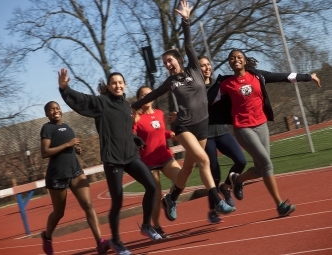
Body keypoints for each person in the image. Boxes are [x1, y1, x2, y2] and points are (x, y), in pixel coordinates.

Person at [131, 0, 236, 222]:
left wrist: (186, 21)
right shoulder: (170, 82)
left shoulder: (195, 69)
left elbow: (188, 44)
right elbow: (151, 96)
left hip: (203, 126)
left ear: (178, 59)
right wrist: (128, 106)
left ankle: (171, 198)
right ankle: (218, 202)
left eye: (169, 60)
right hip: (184, 126)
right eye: (164, 63)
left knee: (187, 168)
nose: (167, 64)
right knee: (204, 161)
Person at [58, 69, 162, 255]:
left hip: (130, 156)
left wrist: (134, 139)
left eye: (120, 82)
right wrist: (65, 89)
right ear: (108, 86)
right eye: (113, 83)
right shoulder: (102, 103)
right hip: (113, 160)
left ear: (125, 84)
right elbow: (82, 100)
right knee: (118, 201)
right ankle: (116, 240)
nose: (118, 85)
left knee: (152, 186)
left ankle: (146, 225)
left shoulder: (126, 106)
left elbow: (124, 130)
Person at [207, 49, 321, 217]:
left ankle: (236, 180)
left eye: (239, 57)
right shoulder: (226, 84)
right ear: (229, 63)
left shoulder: (258, 76)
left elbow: (284, 76)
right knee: (267, 164)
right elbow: (206, 102)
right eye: (232, 58)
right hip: (243, 128)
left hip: (261, 125)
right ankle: (280, 205)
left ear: (245, 61)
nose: (236, 60)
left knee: (260, 169)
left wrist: (308, 77)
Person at [40, 101, 108, 255]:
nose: (55, 111)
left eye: (57, 108)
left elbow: (68, 145)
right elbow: (45, 152)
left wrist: (75, 148)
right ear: (47, 114)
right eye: (51, 109)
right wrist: (67, 145)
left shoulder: (68, 127)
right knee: (58, 213)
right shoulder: (47, 128)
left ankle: (100, 242)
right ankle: (47, 237)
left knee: (88, 205)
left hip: (75, 171)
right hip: (57, 175)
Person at [198, 56, 247, 223]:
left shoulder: (220, 83)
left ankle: (226, 188)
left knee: (241, 160)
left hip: (223, 131)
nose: (206, 68)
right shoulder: (194, 88)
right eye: (202, 66)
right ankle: (213, 210)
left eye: (207, 65)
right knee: (214, 172)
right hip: (206, 135)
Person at [133, 85, 182, 237]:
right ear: (139, 99)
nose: (146, 97)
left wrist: (169, 134)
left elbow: (159, 133)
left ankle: (169, 200)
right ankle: (157, 226)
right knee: (155, 193)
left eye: (149, 94)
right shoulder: (137, 117)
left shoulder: (160, 113)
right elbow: (132, 136)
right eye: (142, 95)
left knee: (181, 178)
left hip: (165, 156)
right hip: (148, 162)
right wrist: (136, 141)